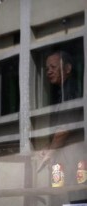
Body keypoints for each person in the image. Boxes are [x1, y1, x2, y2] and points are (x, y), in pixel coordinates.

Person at [38, 50, 86, 204]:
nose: (49, 71)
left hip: (74, 159)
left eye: (53, 67)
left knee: (74, 198)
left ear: (67, 68)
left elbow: (64, 130)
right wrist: (48, 146)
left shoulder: (71, 90)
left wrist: (49, 152)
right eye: (46, 69)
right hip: (66, 160)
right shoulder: (61, 92)